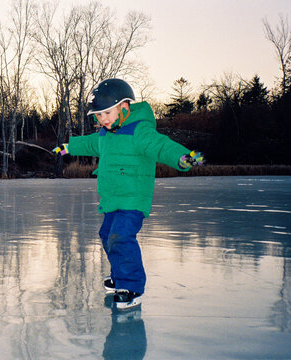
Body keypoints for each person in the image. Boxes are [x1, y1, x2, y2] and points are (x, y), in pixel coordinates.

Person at [53, 78, 204, 310]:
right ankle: (119, 277)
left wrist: (183, 157)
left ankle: (131, 287)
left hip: (133, 198)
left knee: (120, 237)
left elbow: (161, 145)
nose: (102, 120)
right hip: (113, 198)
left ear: (124, 107)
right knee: (107, 235)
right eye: (98, 115)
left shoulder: (139, 131)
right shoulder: (105, 134)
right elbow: (91, 143)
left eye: (106, 113)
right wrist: (69, 147)